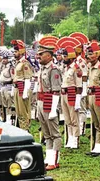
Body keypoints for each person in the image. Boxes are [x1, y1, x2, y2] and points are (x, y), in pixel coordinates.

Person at [36, 40, 63, 170]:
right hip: (41, 101)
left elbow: (56, 91)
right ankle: (49, 158)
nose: (38, 56)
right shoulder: (42, 69)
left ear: (49, 55)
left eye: (41, 54)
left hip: (49, 101)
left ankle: (55, 160)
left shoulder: (54, 69)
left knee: (54, 133)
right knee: (46, 134)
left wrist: (53, 110)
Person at [11, 39, 33, 131]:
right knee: (19, 112)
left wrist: (25, 93)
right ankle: (22, 129)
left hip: (22, 89)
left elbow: (27, 78)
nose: (14, 53)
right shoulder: (17, 63)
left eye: (16, 51)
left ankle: (26, 129)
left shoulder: (25, 63)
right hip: (17, 88)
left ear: (21, 52)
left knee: (24, 112)